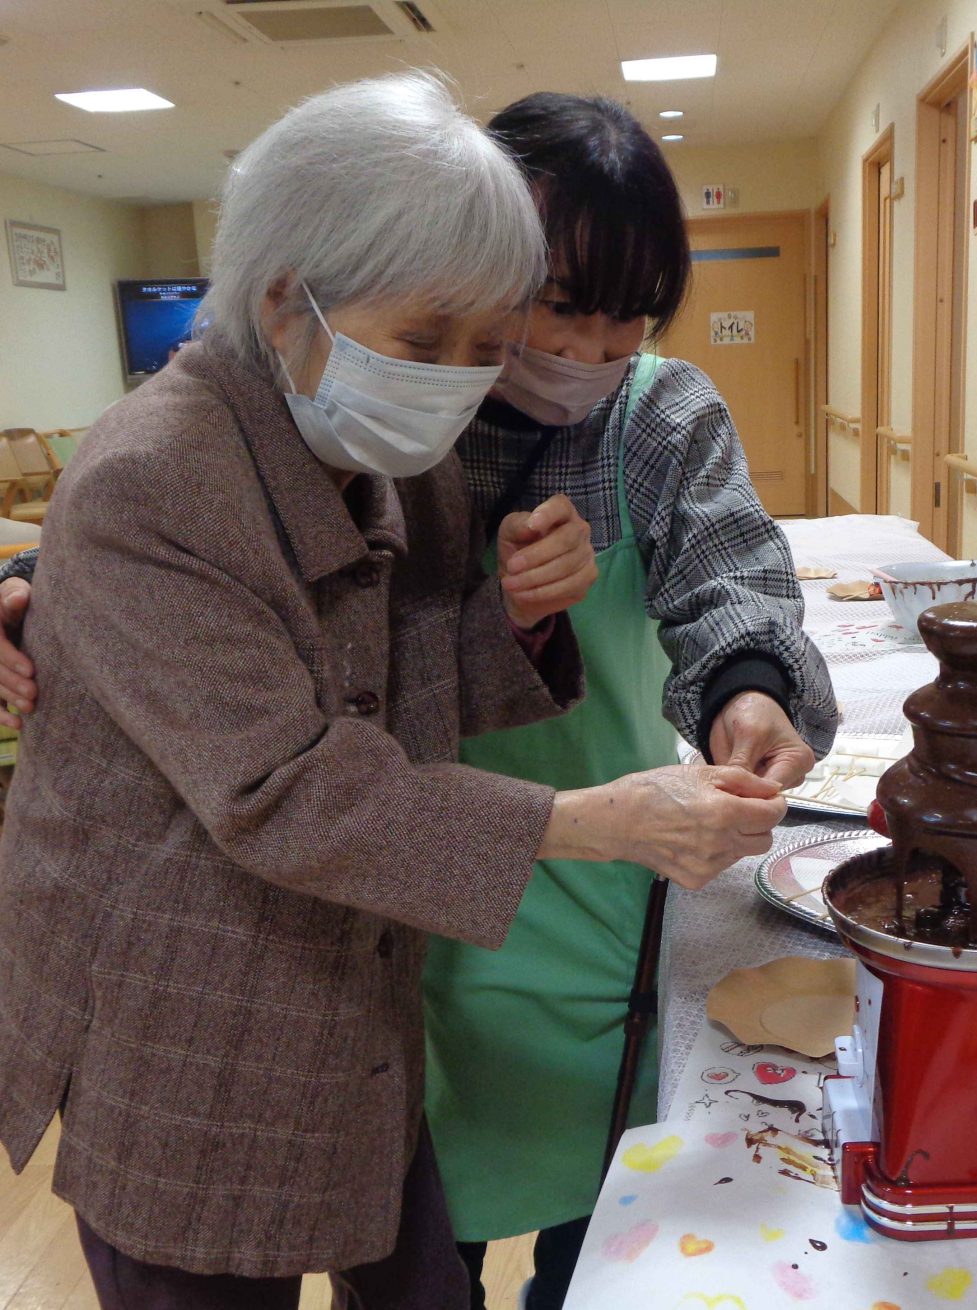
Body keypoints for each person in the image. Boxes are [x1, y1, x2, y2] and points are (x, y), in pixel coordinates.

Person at [0, 72, 784, 1309]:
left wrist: (514, 616)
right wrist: (594, 820)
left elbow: (400, 680)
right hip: (189, 1009)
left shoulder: (381, 444)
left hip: (358, 980)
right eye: (428, 343)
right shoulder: (158, 473)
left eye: (486, 346)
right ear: (284, 300)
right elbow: (285, 782)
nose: (462, 384)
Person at [419, 93, 837, 1310]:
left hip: (598, 894)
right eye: (560, 308)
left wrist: (750, 689)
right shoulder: (406, 395)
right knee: (412, 1238)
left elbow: (731, 578)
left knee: (599, 1232)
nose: (591, 352)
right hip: (398, 873)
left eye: (628, 315)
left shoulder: (658, 413)